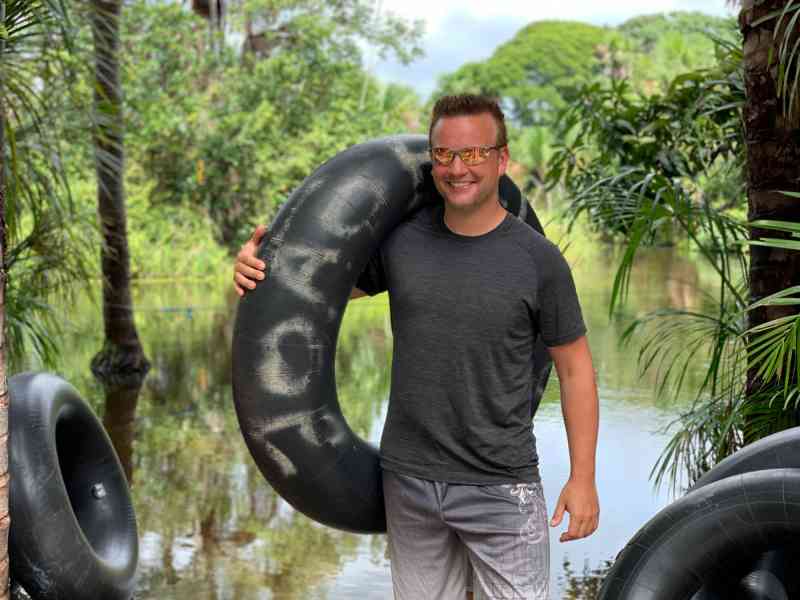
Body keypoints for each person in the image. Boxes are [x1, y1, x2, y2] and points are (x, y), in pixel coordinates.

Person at [233, 94, 599, 600]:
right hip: (409, 486)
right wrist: (259, 270)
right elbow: (317, 290)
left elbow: (576, 372)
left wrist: (583, 479)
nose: (457, 168)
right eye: (445, 155)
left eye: (473, 154)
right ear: (432, 161)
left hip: (500, 487)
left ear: (501, 159)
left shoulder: (539, 261)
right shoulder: (404, 244)